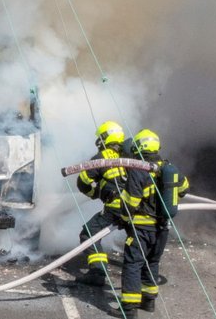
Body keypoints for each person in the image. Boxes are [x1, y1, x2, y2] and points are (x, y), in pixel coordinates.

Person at [117, 129, 189, 316]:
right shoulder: (168, 169)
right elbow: (184, 188)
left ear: (139, 147)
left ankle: (129, 309)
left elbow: (130, 201)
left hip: (142, 228)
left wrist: (123, 219)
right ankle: (148, 302)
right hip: (162, 228)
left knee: (133, 264)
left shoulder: (138, 170)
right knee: (152, 262)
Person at [76, 120, 128, 286]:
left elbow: (82, 181)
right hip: (137, 209)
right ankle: (143, 275)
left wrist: (95, 194)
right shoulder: (130, 156)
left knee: (89, 234)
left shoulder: (100, 158)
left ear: (105, 138)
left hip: (115, 209)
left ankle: (97, 273)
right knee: (138, 239)